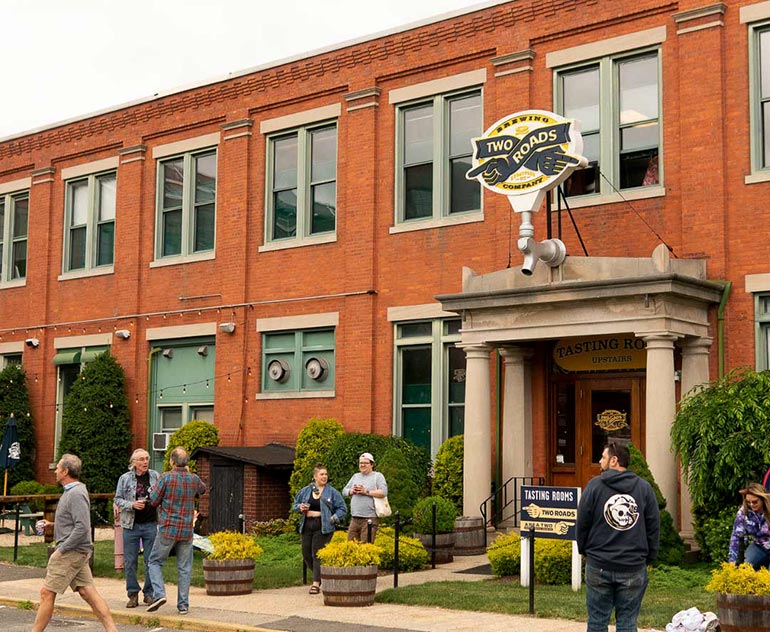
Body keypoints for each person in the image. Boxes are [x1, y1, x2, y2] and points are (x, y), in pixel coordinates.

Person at [577, 442, 660, 632]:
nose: (599, 461)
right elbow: (653, 527)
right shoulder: (644, 488)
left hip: (598, 564)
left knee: (597, 621)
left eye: (603, 457)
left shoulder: (594, 486)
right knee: (628, 622)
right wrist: (650, 557)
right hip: (632, 566)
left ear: (614, 460)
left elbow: (582, 523)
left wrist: (584, 551)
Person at [32, 454, 118, 632]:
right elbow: (74, 522)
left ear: (65, 471)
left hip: (70, 552)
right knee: (88, 593)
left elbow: (82, 527)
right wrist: (54, 525)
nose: (55, 471)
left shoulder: (76, 493)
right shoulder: (72, 491)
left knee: (46, 593)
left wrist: (61, 549)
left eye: (58, 468)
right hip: (77, 551)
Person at [145, 446, 206, 615]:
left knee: (154, 562)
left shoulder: (166, 477)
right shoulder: (193, 479)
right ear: (186, 463)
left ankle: (159, 594)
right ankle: (183, 605)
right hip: (186, 530)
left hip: (168, 529)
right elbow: (203, 489)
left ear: (172, 461)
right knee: (184, 568)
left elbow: (153, 500)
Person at [114, 448, 160, 608]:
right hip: (130, 525)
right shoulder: (125, 479)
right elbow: (118, 499)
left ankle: (149, 593)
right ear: (134, 462)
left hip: (150, 524)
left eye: (147, 458)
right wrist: (132, 504)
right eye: (141, 459)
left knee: (151, 561)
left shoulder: (155, 476)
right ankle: (132, 594)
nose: (145, 462)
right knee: (130, 561)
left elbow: (161, 495)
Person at [293, 463, 347, 594]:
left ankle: (316, 584)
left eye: (326, 474)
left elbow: (342, 509)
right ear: (315, 477)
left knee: (317, 554)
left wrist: (333, 518)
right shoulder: (306, 491)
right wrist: (300, 507)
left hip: (323, 526)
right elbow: (295, 504)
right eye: (322, 474)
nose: (325, 476)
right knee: (306, 554)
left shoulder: (332, 492)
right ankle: (322, 575)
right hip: (307, 525)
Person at [342, 452, 387, 543]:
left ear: (372, 464)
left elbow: (384, 492)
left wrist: (366, 491)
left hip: (370, 519)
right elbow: (344, 491)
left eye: (365, 463)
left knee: (366, 548)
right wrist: (351, 491)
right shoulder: (355, 476)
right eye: (360, 463)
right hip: (354, 518)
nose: (362, 465)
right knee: (350, 546)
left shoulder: (378, 476)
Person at [728, 481, 770, 570]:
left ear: (762, 499)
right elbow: (736, 536)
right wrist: (732, 561)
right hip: (759, 546)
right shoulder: (743, 513)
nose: (751, 505)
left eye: (755, 502)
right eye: (748, 502)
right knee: (742, 568)